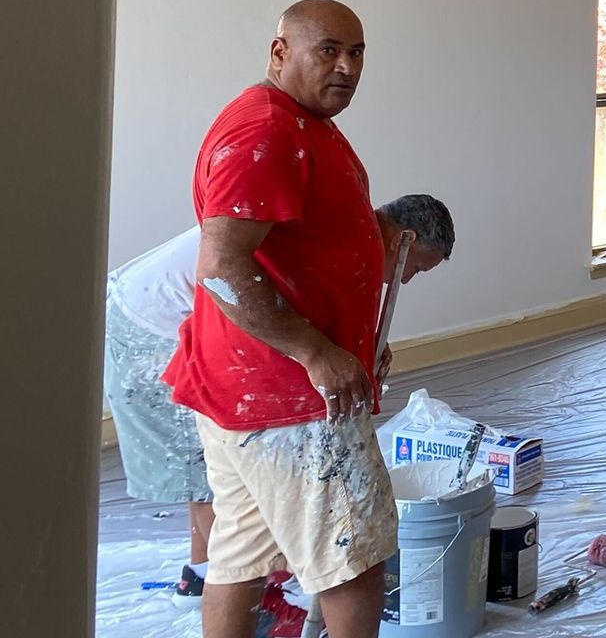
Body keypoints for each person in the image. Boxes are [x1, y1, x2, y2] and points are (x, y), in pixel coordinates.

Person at [160, 0, 401, 638]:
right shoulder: (266, 131)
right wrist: (317, 353)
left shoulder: (299, 121)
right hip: (286, 398)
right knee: (353, 561)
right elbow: (222, 267)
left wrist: (350, 337)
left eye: (357, 53)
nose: (347, 66)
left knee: (238, 556)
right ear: (279, 53)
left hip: (246, 388)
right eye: (328, 50)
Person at [103, 193, 455, 599]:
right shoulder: (340, 235)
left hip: (180, 314)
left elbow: (300, 304)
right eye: (414, 269)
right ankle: (211, 578)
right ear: (403, 240)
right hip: (147, 324)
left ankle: (211, 572)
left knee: (215, 470)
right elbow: (252, 302)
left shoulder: (346, 228)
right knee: (206, 468)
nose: (406, 280)